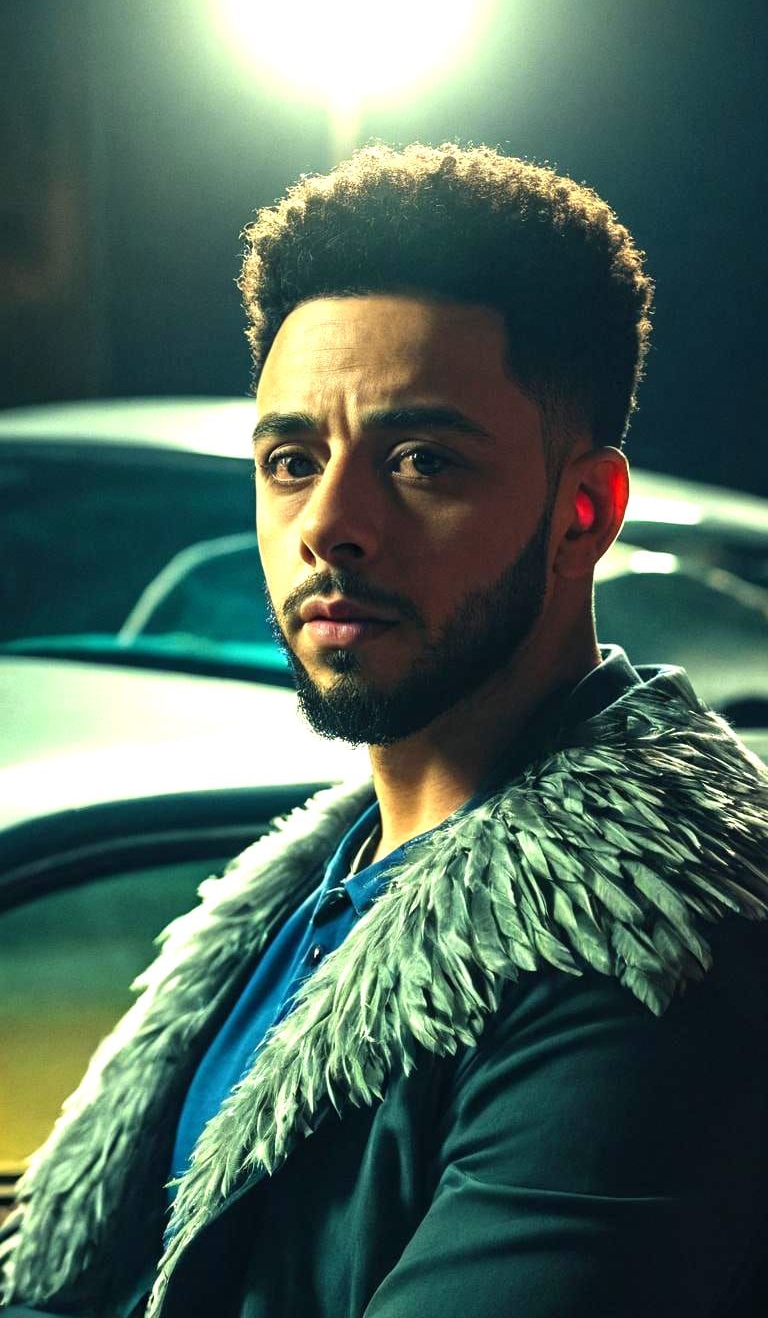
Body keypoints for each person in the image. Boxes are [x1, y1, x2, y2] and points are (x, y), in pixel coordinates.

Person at [2, 141, 767, 1318]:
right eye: (292, 460)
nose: (329, 525)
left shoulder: (645, 963)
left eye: (420, 460)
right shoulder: (320, 882)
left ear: (584, 511)